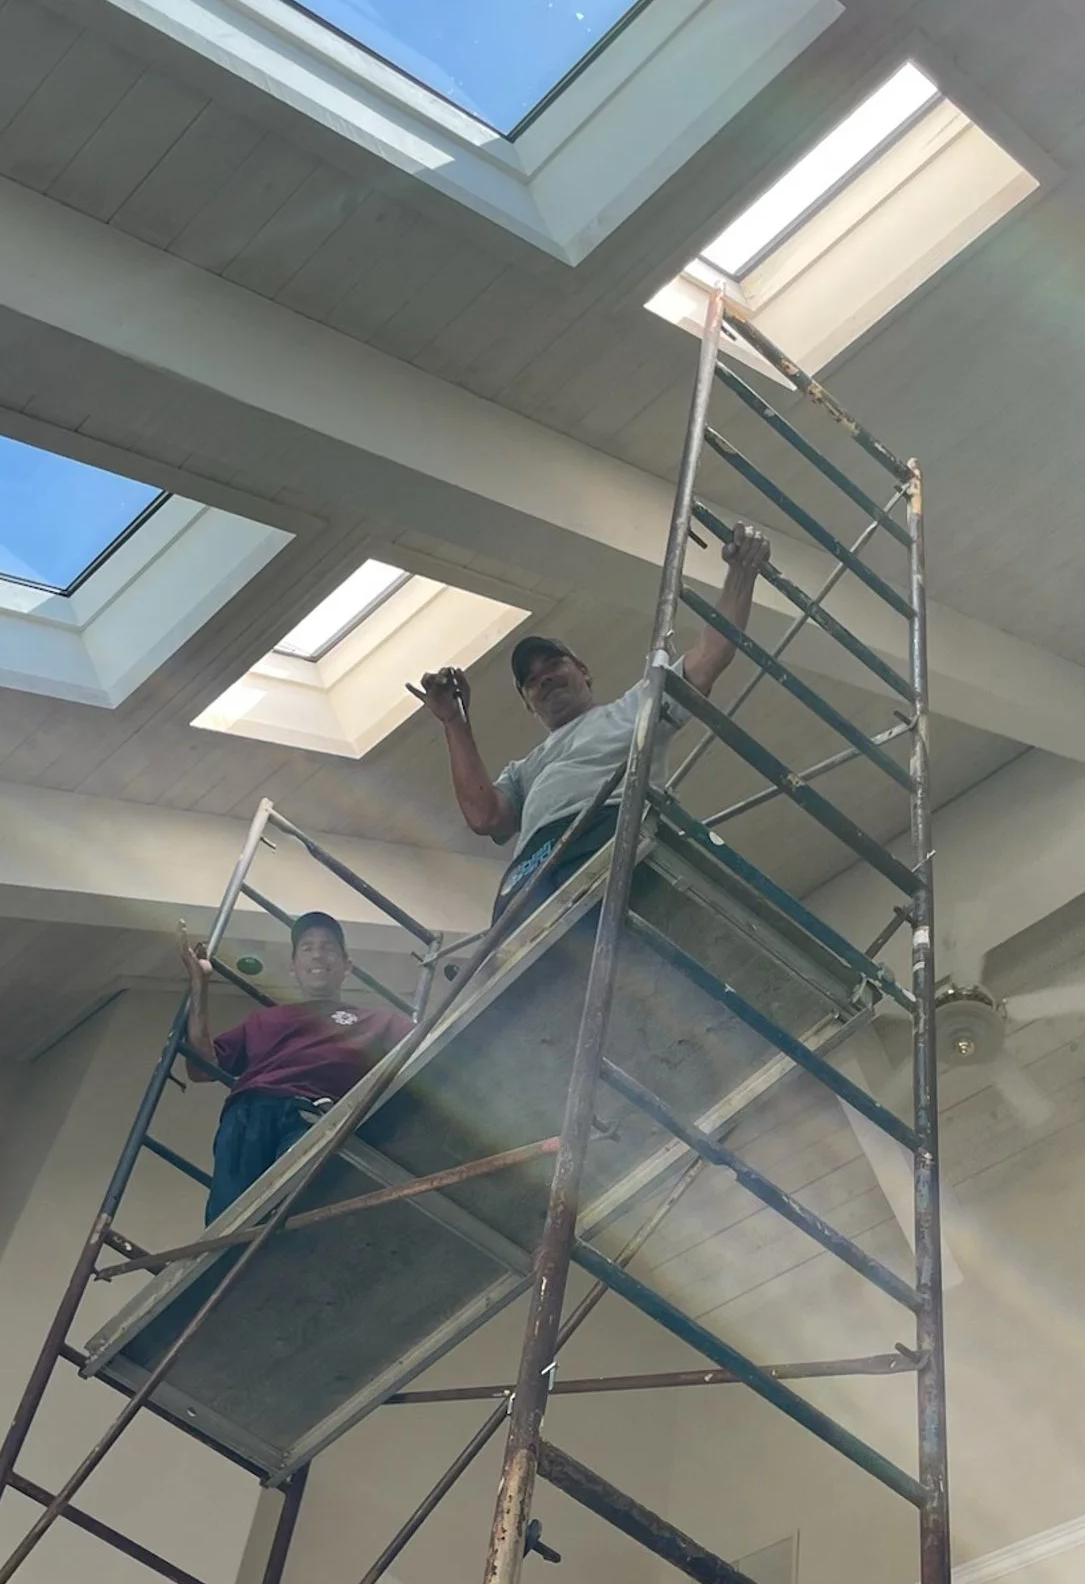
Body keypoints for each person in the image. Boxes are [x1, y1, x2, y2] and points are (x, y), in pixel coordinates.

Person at [412, 524, 774, 918]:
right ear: (528, 705)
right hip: (533, 873)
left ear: (583, 671)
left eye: (553, 664)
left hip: (608, 835)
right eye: (531, 680)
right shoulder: (524, 771)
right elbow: (484, 816)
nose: (544, 678)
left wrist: (741, 574)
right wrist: (454, 721)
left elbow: (707, 658)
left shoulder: (634, 707)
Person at [179, 910, 410, 1223]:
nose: (317, 954)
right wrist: (199, 985)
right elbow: (201, 1069)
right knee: (228, 1223)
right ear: (293, 967)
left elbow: (436, 1045)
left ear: (347, 966)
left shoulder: (378, 1021)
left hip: (312, 1116)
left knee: (297, 1213)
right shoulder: (264, 1020)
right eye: (307, 947)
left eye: (328, 947)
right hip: (245, 1118)